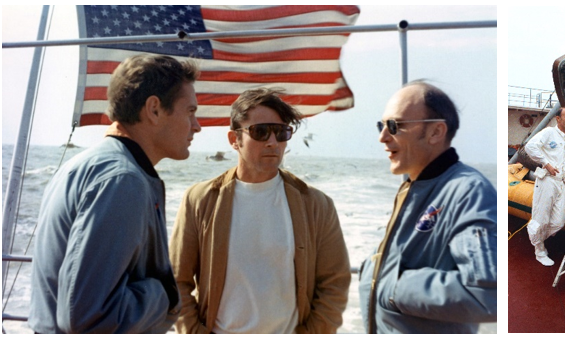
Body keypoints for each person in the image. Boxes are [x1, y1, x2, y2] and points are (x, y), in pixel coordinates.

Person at [28, 54, 200, 333]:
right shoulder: (122, 180)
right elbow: (88, 317)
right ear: (154, 109)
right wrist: (166, 294)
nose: (197, 126)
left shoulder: (82, 165)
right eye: (190, 111)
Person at [169, 88, 351, 333]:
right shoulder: (200, 201)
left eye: (282, 132)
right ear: (234, 140)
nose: (273, 142)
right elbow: (176, 282)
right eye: (261, 132)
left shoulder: (316, 205)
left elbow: (334, 284)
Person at [359, 81, 498, 333]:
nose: (382, 137)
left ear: (436, 132)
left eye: (394, 126)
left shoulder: (468, 192)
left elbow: (487, 295)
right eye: (381, 126)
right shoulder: (416, 188)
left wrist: (392, 287)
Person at [523, 108, 565, 266]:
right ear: (558, 119)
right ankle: (539, 250)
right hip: (547, 180)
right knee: (541, 218)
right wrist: (546, 164)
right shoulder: (549, 132)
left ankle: (535, 237)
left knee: (558, 222)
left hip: (561, 182)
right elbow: (530, 147)